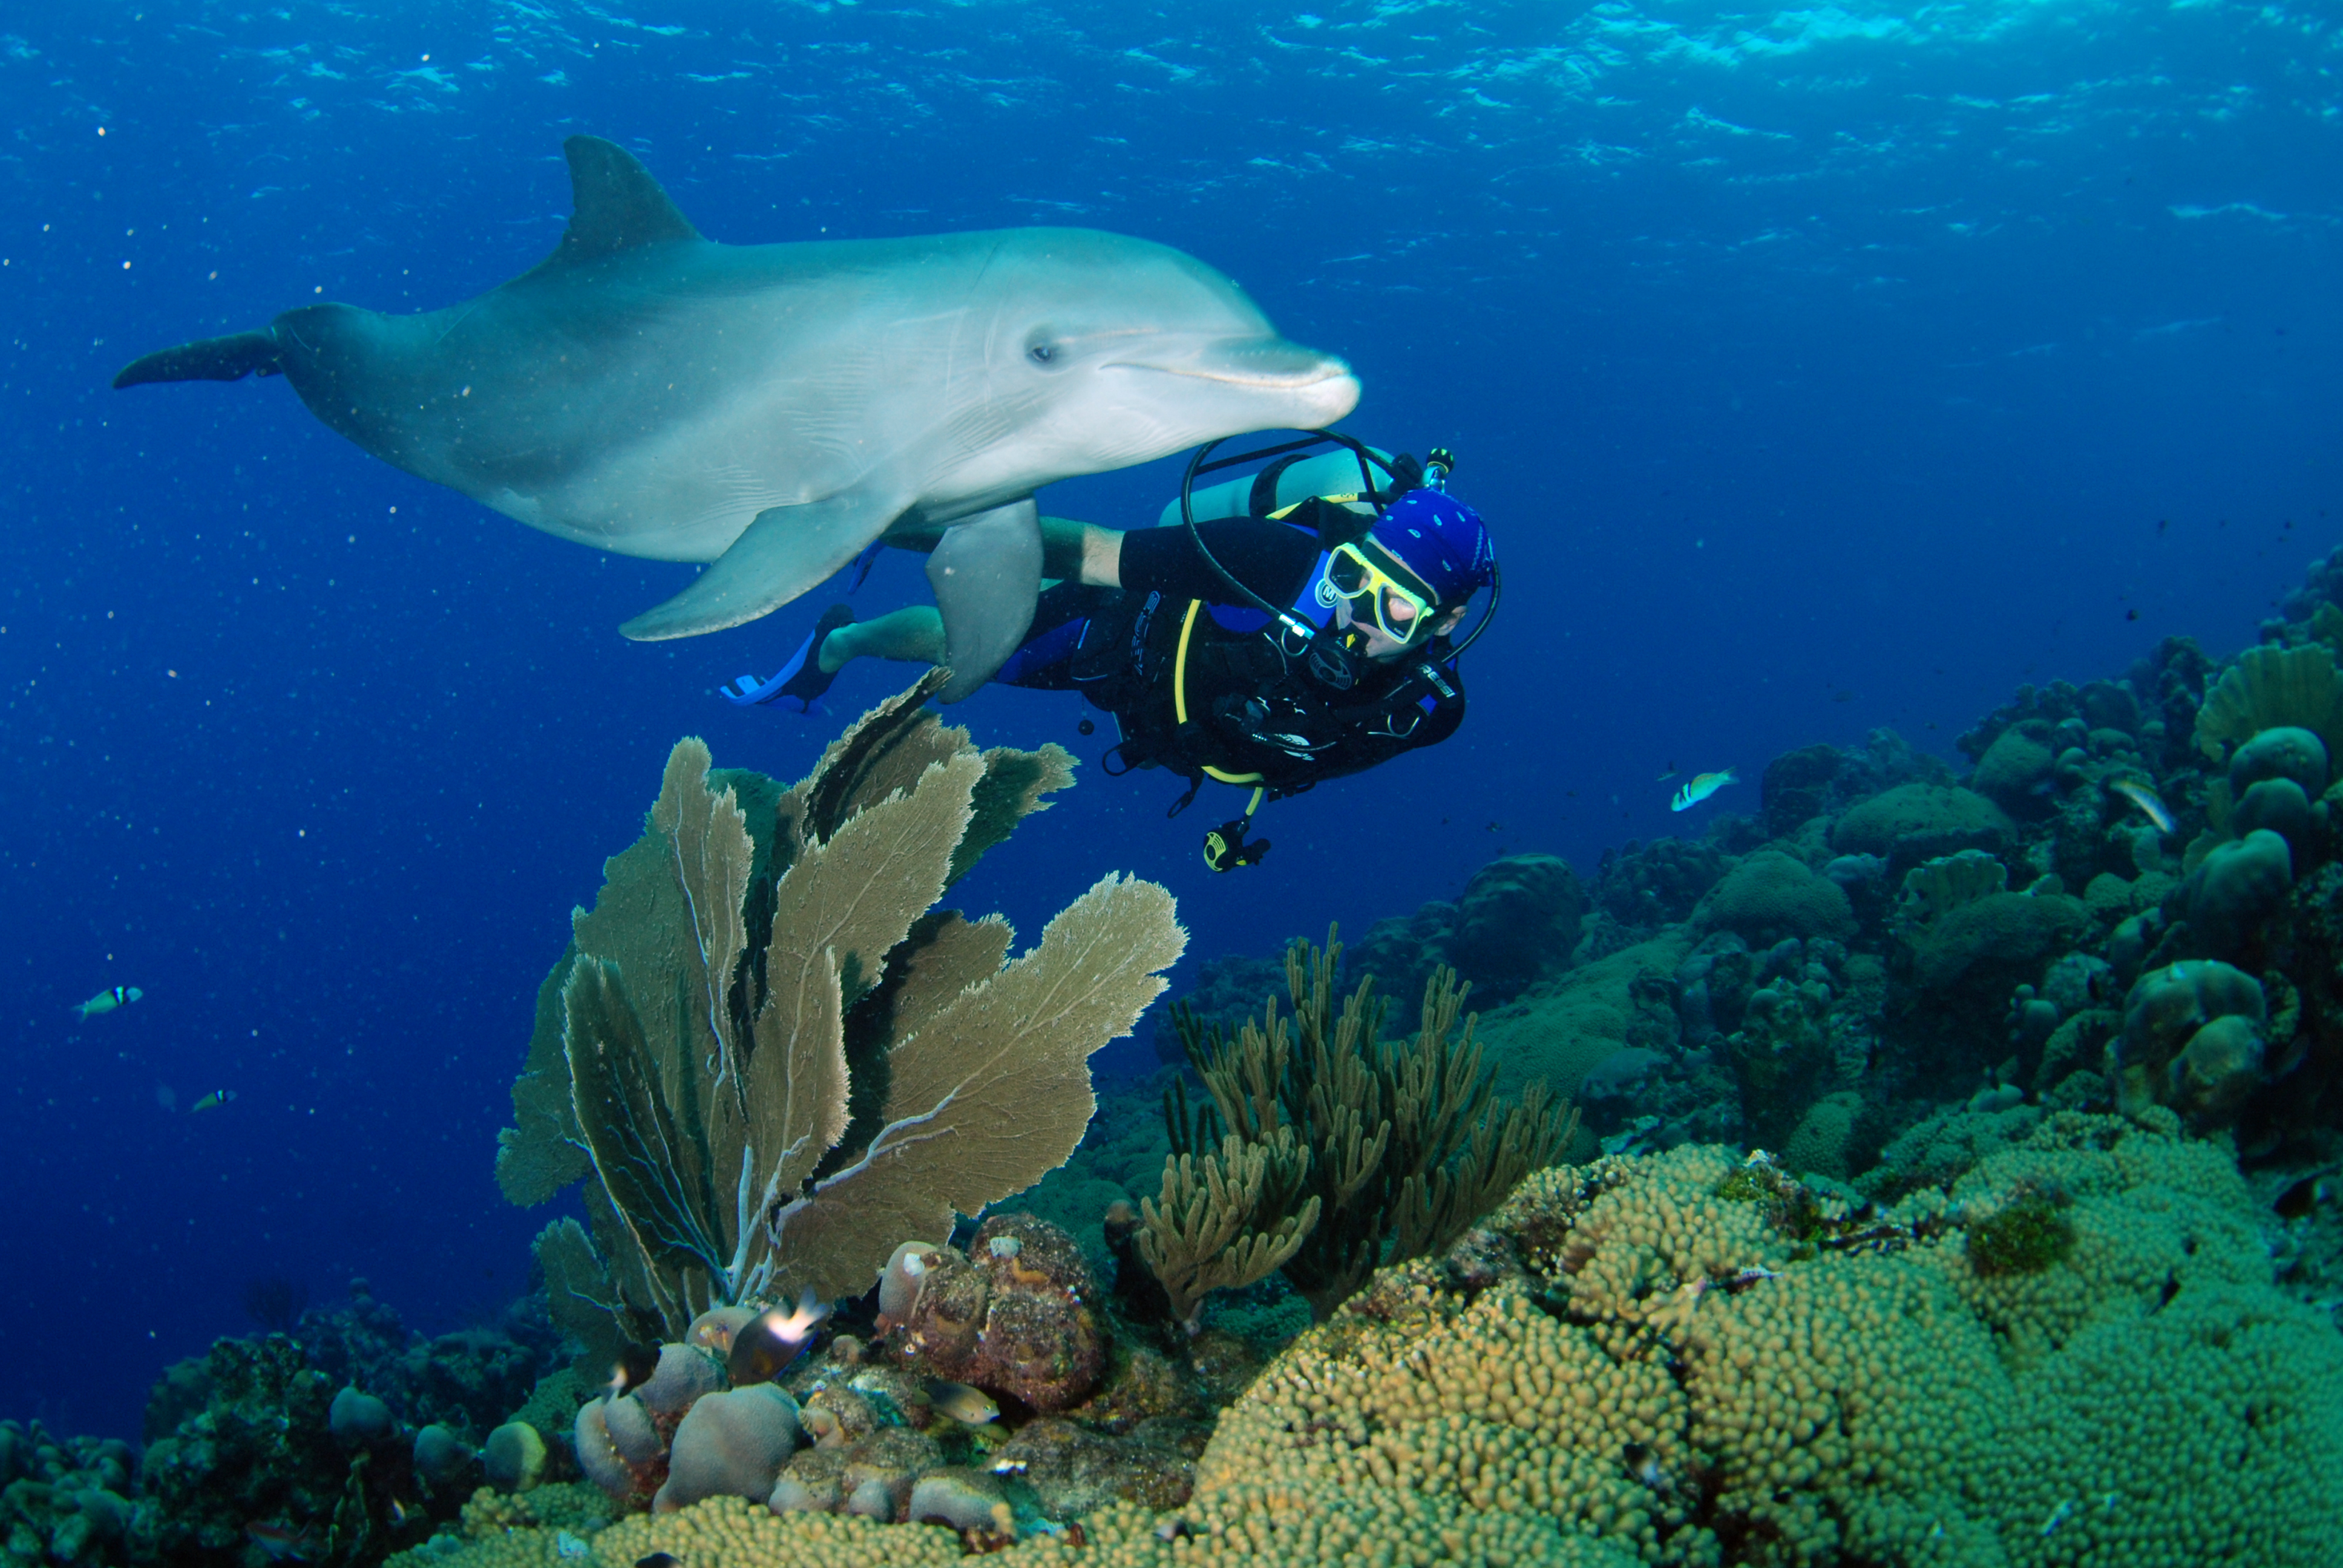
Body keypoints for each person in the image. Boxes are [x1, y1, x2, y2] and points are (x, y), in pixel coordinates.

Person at [721, 434, 1499, 869]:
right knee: (977, 654)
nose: (1356, 616)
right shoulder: (1278, 564)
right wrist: (892, 519)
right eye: (1355, 579)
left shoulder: (1425, 713)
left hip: (1188, 731)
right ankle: (843, 640)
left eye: (1396, 605)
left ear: (1445, 621)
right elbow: (1084, 551)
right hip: (1118, 640)